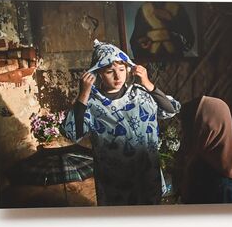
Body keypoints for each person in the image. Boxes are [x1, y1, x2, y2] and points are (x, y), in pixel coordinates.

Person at [60, 42, 180, 206]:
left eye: (122, 70)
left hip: (147, 176)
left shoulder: (140, 94)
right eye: (110, 71)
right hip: (116, 185)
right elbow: (71, 133)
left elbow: (171, 109)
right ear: (99, 73)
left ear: (128, 69)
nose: (118, 77)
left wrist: (147, 82)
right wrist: (84, 94)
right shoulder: (93, 104)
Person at [177, 96, 232, 204]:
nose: (183, 135)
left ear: (209, 130)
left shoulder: (223, 186)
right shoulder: (208, 154)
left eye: (189, 130)